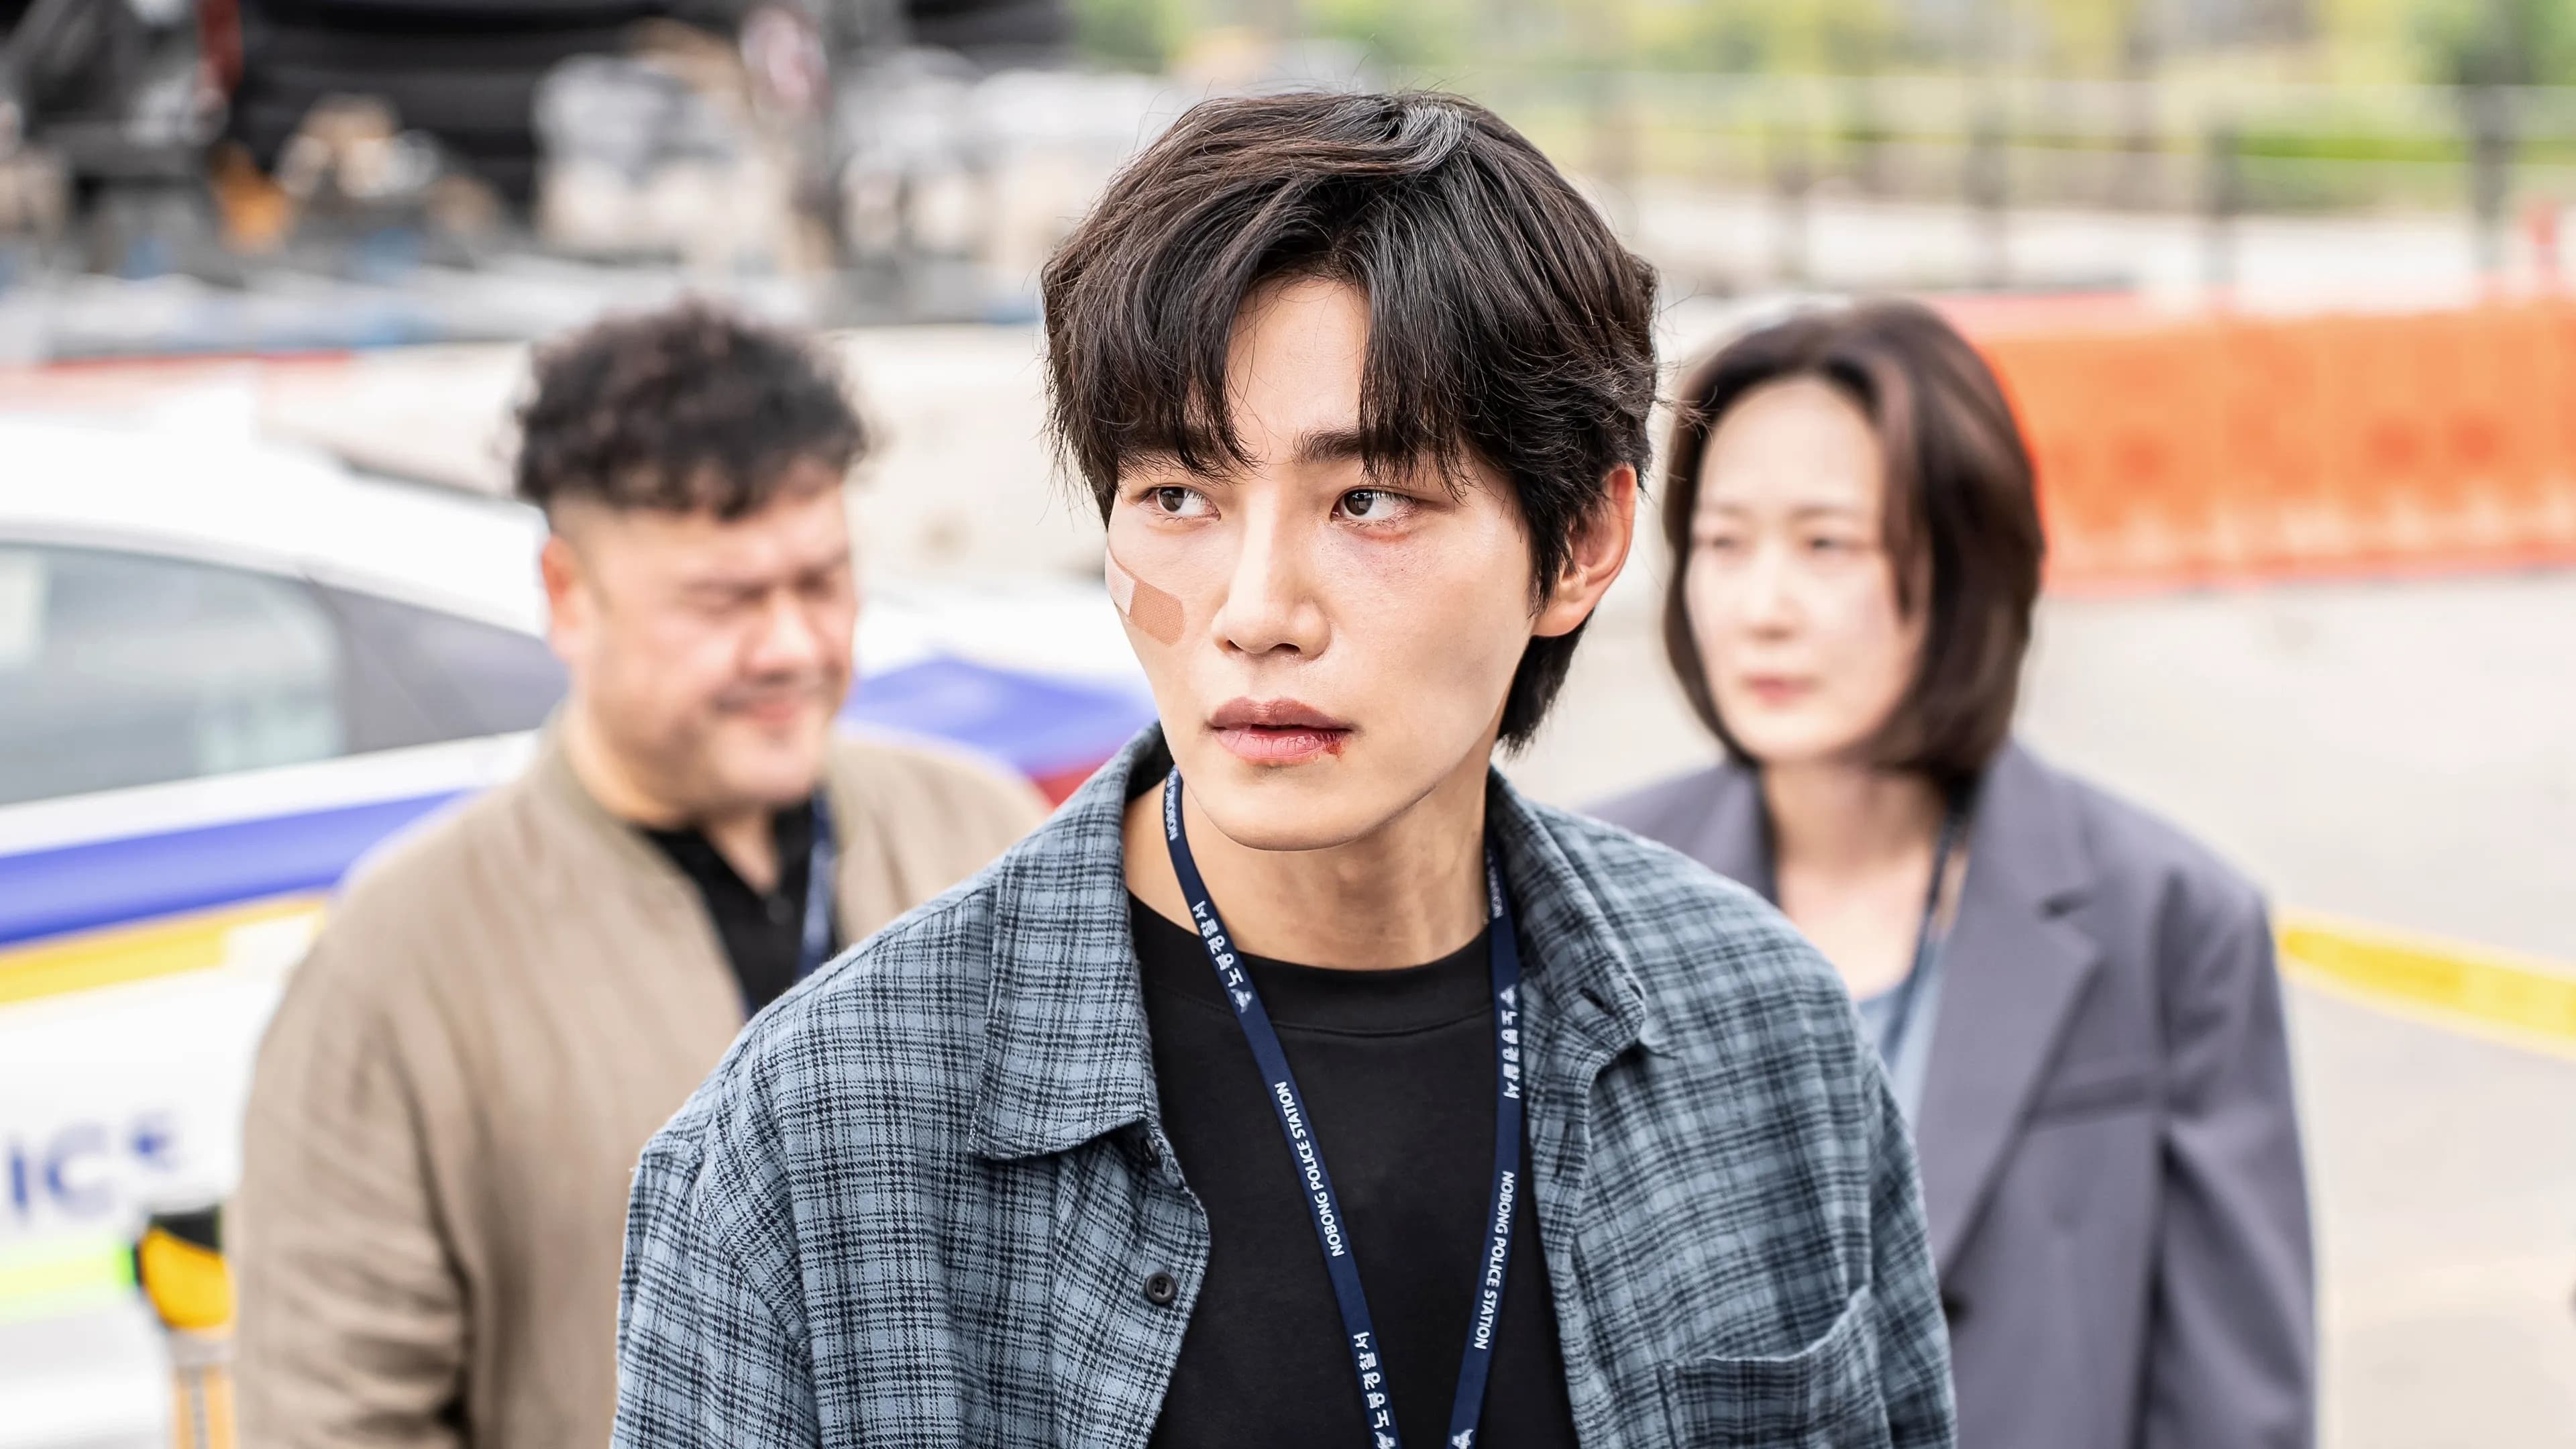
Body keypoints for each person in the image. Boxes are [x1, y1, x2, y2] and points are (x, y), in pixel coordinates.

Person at [614, 91, 1955, 1449]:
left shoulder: (1763, 1037)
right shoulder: (816, 1140)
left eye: (1368, 500)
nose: (1256, 612)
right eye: (1178, 497)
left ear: (1584, 543)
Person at [231, 301, 1047, 1449]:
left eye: (821, 583)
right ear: (568, 595)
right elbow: (333, 1415)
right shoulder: (403, 957)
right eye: (723, 601)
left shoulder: (985, 836)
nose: (791, 647)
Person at [1593, 300, 2314, 1449]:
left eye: (1828, 545)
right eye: (1724, 544)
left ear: (1968, 564)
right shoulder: (1582, 903)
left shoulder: (2171, 922)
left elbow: (2236, 1404)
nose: (1761, 608)